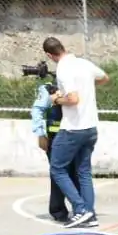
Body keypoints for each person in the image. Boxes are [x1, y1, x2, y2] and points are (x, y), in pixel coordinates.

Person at [43, 37, 108, 228]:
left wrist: (56, 99)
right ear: (64, 48)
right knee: (83, 172)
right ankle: (90, 214)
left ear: (49, 55)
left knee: (57, 168)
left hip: (73, 129)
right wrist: (87, 88)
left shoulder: (63, 68)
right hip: (90, 128)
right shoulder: (83, 63)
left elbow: (73, 99)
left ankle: (80, 210)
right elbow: (105, 78)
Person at [28, 73, 79, 223]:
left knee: (77, 173)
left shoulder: (77, 88)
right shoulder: (49, 89)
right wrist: (40, 133)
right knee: (58, 174)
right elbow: (37, 110)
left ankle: (81, 209)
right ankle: (58, 210)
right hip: (55, 138)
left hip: (74, 135)